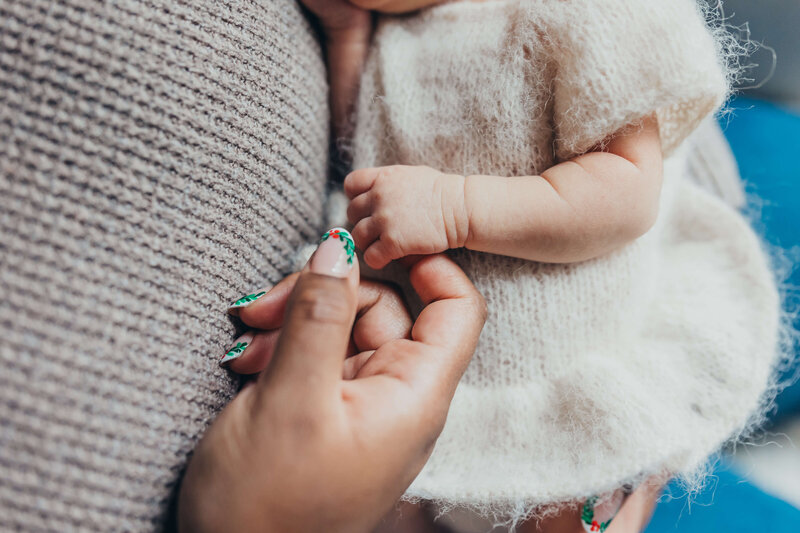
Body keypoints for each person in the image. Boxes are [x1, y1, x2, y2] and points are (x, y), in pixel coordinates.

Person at [296, 0, 783, 530]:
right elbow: (361, 146)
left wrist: (455, 207)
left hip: (571, 382)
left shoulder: (593, 13)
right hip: (430, 394)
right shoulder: (397, 27)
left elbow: (625, 192)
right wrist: (346, 39)